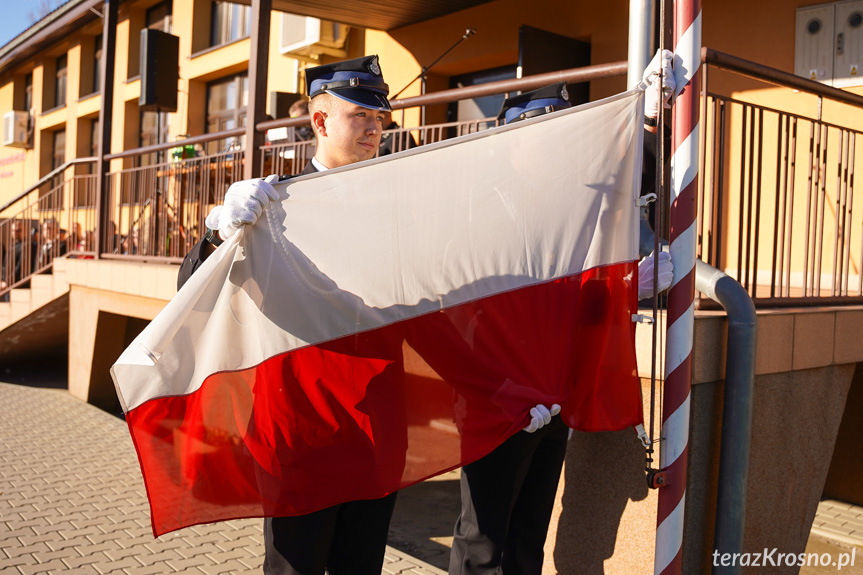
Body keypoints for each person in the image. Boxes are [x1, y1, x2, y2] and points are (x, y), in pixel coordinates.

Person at [448, 53, 676, 575]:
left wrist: (647, 120)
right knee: (482, 543)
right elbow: (467, 317)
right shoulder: (485, 207)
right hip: (499, 400)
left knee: (529, 538)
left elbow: (571, 300)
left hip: (551, 399)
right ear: (515, 141)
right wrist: (506, 391)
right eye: (547, 132)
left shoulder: (565, 207)